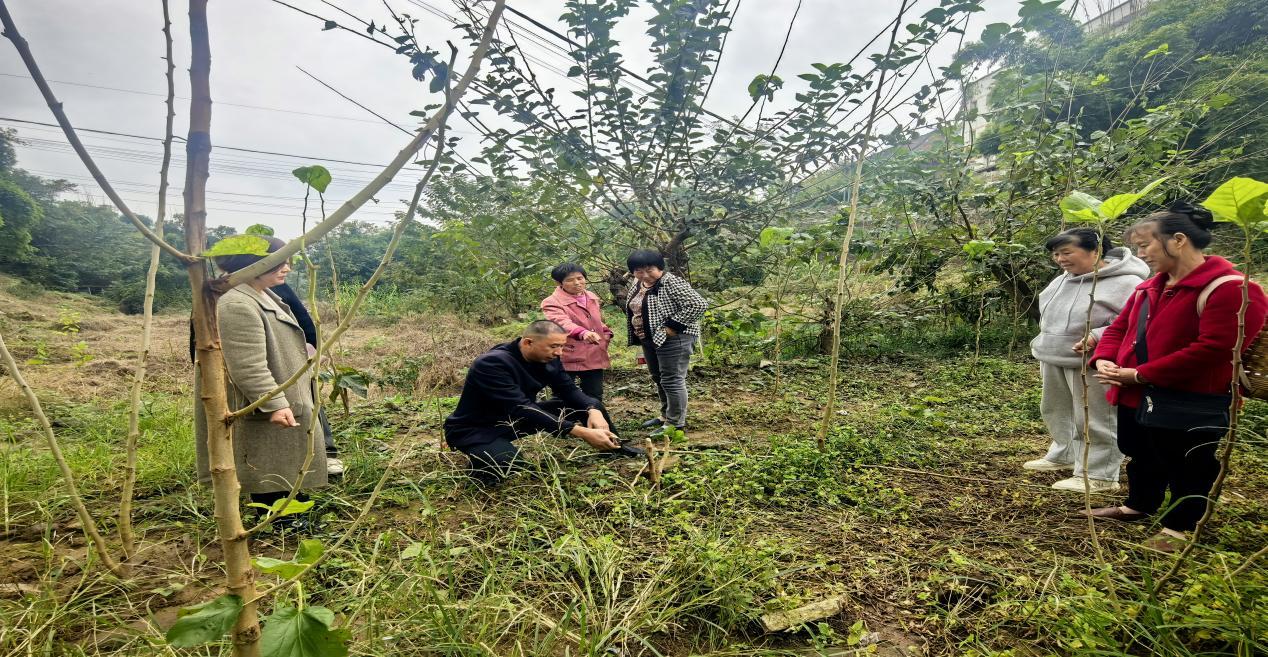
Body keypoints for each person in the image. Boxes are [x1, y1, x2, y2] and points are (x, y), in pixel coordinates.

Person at [1086, 202, 1268, 552]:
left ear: (1179, 240)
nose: (1141, 254)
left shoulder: (1234, 289)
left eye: (1145, 245)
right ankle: (1139, 504)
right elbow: (1119, 328)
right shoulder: (1148, 288)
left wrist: (1141, 374)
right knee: (1140, 452)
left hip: (1191, 399)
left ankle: (1180, 527)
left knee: (1189, 463)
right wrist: (1104, 359)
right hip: (1135, 393)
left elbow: (1215, 349)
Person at [194, 236, 328, 513]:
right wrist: (274, 403)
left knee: (280, 456)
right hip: (263, 399)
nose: (287, 268)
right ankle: (277, 518)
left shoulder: (261, 294)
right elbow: (247, 364)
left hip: (279, 389)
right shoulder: (236, 304)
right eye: (278, 262)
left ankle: (288, 507)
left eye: (287, 261)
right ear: (253, 264)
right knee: (266, 460)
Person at [443, 320, 640, 485]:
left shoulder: (549, 358)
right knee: (508, 464)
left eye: (562, 346)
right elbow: (522, 407)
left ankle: (613, 447)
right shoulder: (492, 363)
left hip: (516, 419)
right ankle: (482, 462)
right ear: (528, 342)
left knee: (591, 403)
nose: (559, 352)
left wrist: (592, 409)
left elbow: (569, 390)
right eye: (554, 346)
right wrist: (581, 432)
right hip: (476, 429)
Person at [1026, 228, 1148, 492]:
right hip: (1054, 355)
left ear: (1095, 251)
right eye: (1056, 254)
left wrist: (1096, 336)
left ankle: (1100, 474)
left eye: (1066, 252)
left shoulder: (1127, 282)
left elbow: (1133, 322)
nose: (1060, 259)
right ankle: (1065, 453)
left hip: (1095, 360)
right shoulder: (1063, 279)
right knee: (1056, 410)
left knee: (1095, 417)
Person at [623, 250, 707, 431]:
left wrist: (672, 327)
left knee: (672, 379)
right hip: (650, 338)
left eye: (649, 269)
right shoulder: (638, 283)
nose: (645, 274)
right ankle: (666, 415)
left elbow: (698, 304)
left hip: (674, 338)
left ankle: (675, 424)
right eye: (639, 271)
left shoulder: (670, 282)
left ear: (660, 267)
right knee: (658, 377)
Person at [540, 262, 614, 403]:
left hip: (593, 352)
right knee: (563, 395)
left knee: (594, 393)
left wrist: (605, 332)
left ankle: (593, 416)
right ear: (559, 283)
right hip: (568, 353)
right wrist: (583, 332)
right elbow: (561, 322)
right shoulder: (551, 302)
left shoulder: (591, 296)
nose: (577, 283)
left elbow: (596, 320)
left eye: (580, 278)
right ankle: (565, 418)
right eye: (570, 280)